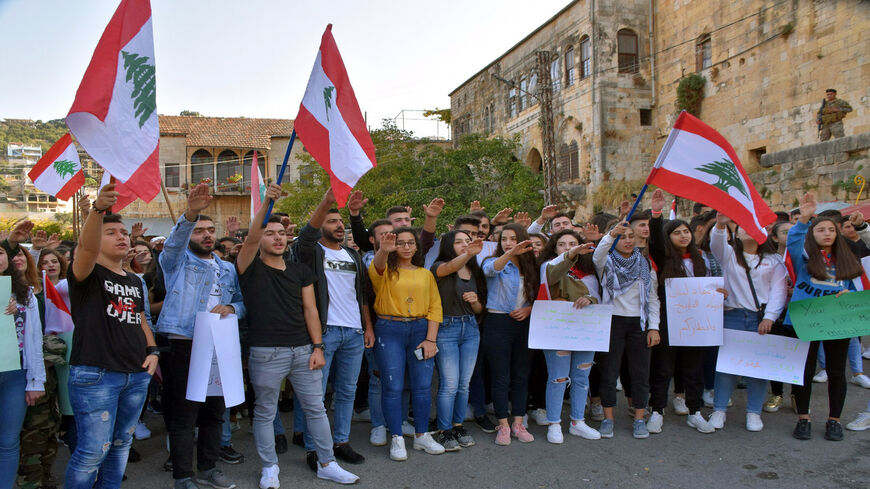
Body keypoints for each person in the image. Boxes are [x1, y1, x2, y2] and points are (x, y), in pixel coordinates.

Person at [239, 184, 359, 487]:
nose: (277, 237)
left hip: (304, 350)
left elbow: (311, 311)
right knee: (265, 412)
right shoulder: (249, 268)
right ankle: (269, 468)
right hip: (266, 353)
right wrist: (267, 204)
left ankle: (326, 462)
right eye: (270, 232)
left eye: (281, 233)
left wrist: (317, 347)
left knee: (316, 409)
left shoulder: (299, 271)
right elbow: (252, 236)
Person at [63, 185, 156, 489]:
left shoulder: (132, 279)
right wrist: (96, 212)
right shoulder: (86, 274)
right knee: (92, 453)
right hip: (96, 375)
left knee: (119, 449)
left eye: (124, 232)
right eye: (111, 232)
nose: (122, 237)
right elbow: (87, 249)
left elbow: (139, 318)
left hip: (135, 375)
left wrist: (153, 351)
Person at [155, 183, 246, 489]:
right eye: (199, 230)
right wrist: (190, 214)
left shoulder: (227, 268)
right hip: (185, 344)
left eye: (210, 230)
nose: (206, 235)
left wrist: (231, 307)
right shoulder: (176, 262)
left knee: (214, 412)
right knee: (184, 414)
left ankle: (208, 468)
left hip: (221, 346)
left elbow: (243, 305)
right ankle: (183, 476)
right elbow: (174, 244)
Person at [291, 189, 373, 467]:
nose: (339, 226)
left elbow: (361, 294)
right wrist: (325, 201)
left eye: (341, 222)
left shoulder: (353, 255)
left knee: (347, 390)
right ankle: (315, 448)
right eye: (331, 221)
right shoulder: (310, 251)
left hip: (353, 332)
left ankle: (341, 442)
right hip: (323, 332)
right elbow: (305, 236)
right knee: (316, 394)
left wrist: (367, 327)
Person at [786, 193, 863, 441]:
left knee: (837, 372)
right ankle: (803, 418)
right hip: (807, 319)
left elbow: (856, 287)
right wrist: (805, 218)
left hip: (837, 320)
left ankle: (834, 420)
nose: (827, 233)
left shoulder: (846, 258)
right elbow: (794, 239)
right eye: (820, 230)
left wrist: (847, 294)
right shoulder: (804, 256)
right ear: (813, 233)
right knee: (804, 371)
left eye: (831, 229)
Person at [647, 189, 723, 434]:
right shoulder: (663, 257)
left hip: (697, 323)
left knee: (693, 368)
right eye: (676, 232)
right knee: (663, 368)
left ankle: (694, 411)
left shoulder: (703, 259)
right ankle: (657, 410)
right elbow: (656, 241)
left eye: (685, 231)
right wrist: (656, 214)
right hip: (670, 321)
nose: (682, 236)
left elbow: (711, 287)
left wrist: (719, 294)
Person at [706, 213, 788, 432]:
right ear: (737, 233)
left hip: (759, 319)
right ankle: (719, 409)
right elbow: (716, 245)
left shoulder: (774, 261)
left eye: (755, 227)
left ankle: (753, 412)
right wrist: (721, 224)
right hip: (731, 315)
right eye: (743, 226)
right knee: (725, 368)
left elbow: (778, 292)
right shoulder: (730, 255)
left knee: (757, 368)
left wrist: (770, 317)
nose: (748, 230)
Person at [368, 227, 444, 460]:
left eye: (411, 242)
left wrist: (431, 339)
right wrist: (384, 249)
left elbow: (435, 307)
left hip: (421, 329)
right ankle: (397, 438)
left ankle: (421, 436)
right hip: (389, 330)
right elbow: (378, 266)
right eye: (400, 243)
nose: (406, 247)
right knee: (393, 386)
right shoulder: (383, 271)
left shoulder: (425, 274)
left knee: (422, 386)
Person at [593, 221, 661, 439]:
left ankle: (640, 418)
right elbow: (598, 254)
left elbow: (653, 298)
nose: (628, 240)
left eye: (631, 236)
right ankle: (608, 418)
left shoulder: (644, 264)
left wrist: (654, 328)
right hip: (612, 322)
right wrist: (611, 234)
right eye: (623, 237)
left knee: (640, 374)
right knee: (609, 373)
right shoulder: (606, 262)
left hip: (638, 324)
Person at [538, 230, 601, 443]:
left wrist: (590, 299)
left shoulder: (589, 270)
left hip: (585, 329)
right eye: (562, 244)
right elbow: (555, 273)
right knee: (558, 377)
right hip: (558, 329)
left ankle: (577, 422)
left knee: (582, 377)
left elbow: (602, 296)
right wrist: (572, 253)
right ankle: (554, 423)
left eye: (572, 243)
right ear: (554, 248)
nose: (567, 247)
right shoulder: (548, 268)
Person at [481, 223, 539, 445]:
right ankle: (503, 425)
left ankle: (518, 423)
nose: (508, 242)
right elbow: (490, 270)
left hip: (523, 323)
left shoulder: (532, 265)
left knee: (521, 375)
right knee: (500, 376)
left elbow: (541, 295)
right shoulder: (493, 261)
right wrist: (509, 254)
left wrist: (529, 309)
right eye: (504, 239)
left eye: (513, 238)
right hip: (497, 322)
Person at [430, 230, 486, 450]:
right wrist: (468, 254)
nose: (465, 245)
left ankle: (458, 425)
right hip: (446, 328)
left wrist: (474, 302)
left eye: (468, 241)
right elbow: (450, 267)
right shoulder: (439, 267)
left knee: (464, 384)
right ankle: (444, 430)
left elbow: (481, 309)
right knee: (450, 384)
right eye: (459, 242)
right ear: (448, 246)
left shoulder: (474, 271)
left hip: (471, 328)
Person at [0, 221, 45, 489]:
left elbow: (34, 340)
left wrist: (35, 380)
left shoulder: (25, 293)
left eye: (2, 252)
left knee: (8, 441)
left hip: (15, 376)